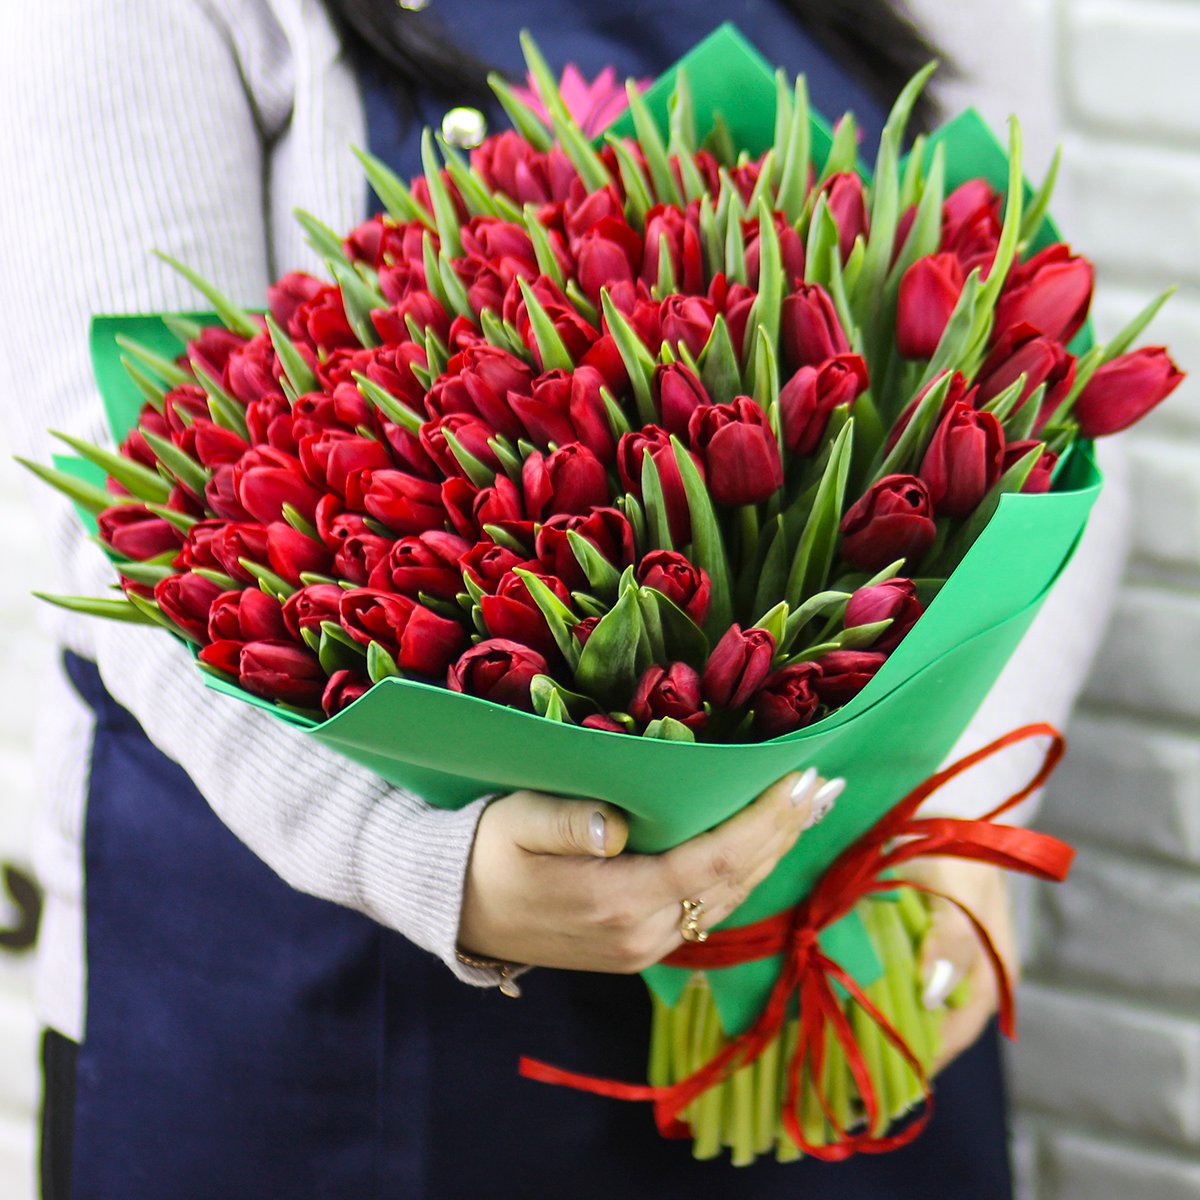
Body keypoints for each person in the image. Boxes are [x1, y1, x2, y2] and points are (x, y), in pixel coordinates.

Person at [0, 1, 1127, 1197]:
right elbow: (121, 497)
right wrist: (420, 859)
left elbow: (1041, 372)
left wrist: (955, 809)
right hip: (333, 984)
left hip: (847, 927)